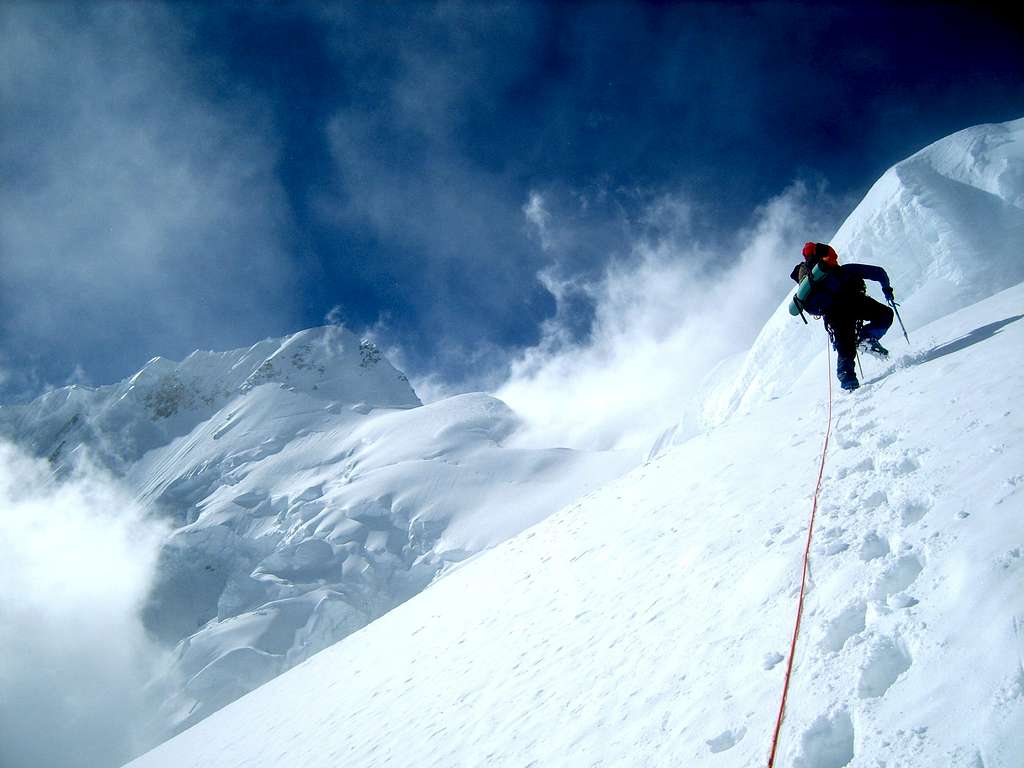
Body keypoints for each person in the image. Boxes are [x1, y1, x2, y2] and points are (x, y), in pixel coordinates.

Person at [790, 242, 895, 391]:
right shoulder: (845, 271)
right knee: (885, 315)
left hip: (833, 314)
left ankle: (850, 387)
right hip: (856, 303)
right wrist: (887, 290)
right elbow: (879, 272)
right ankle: (866, 338)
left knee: (846, 349)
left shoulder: (810, 284)